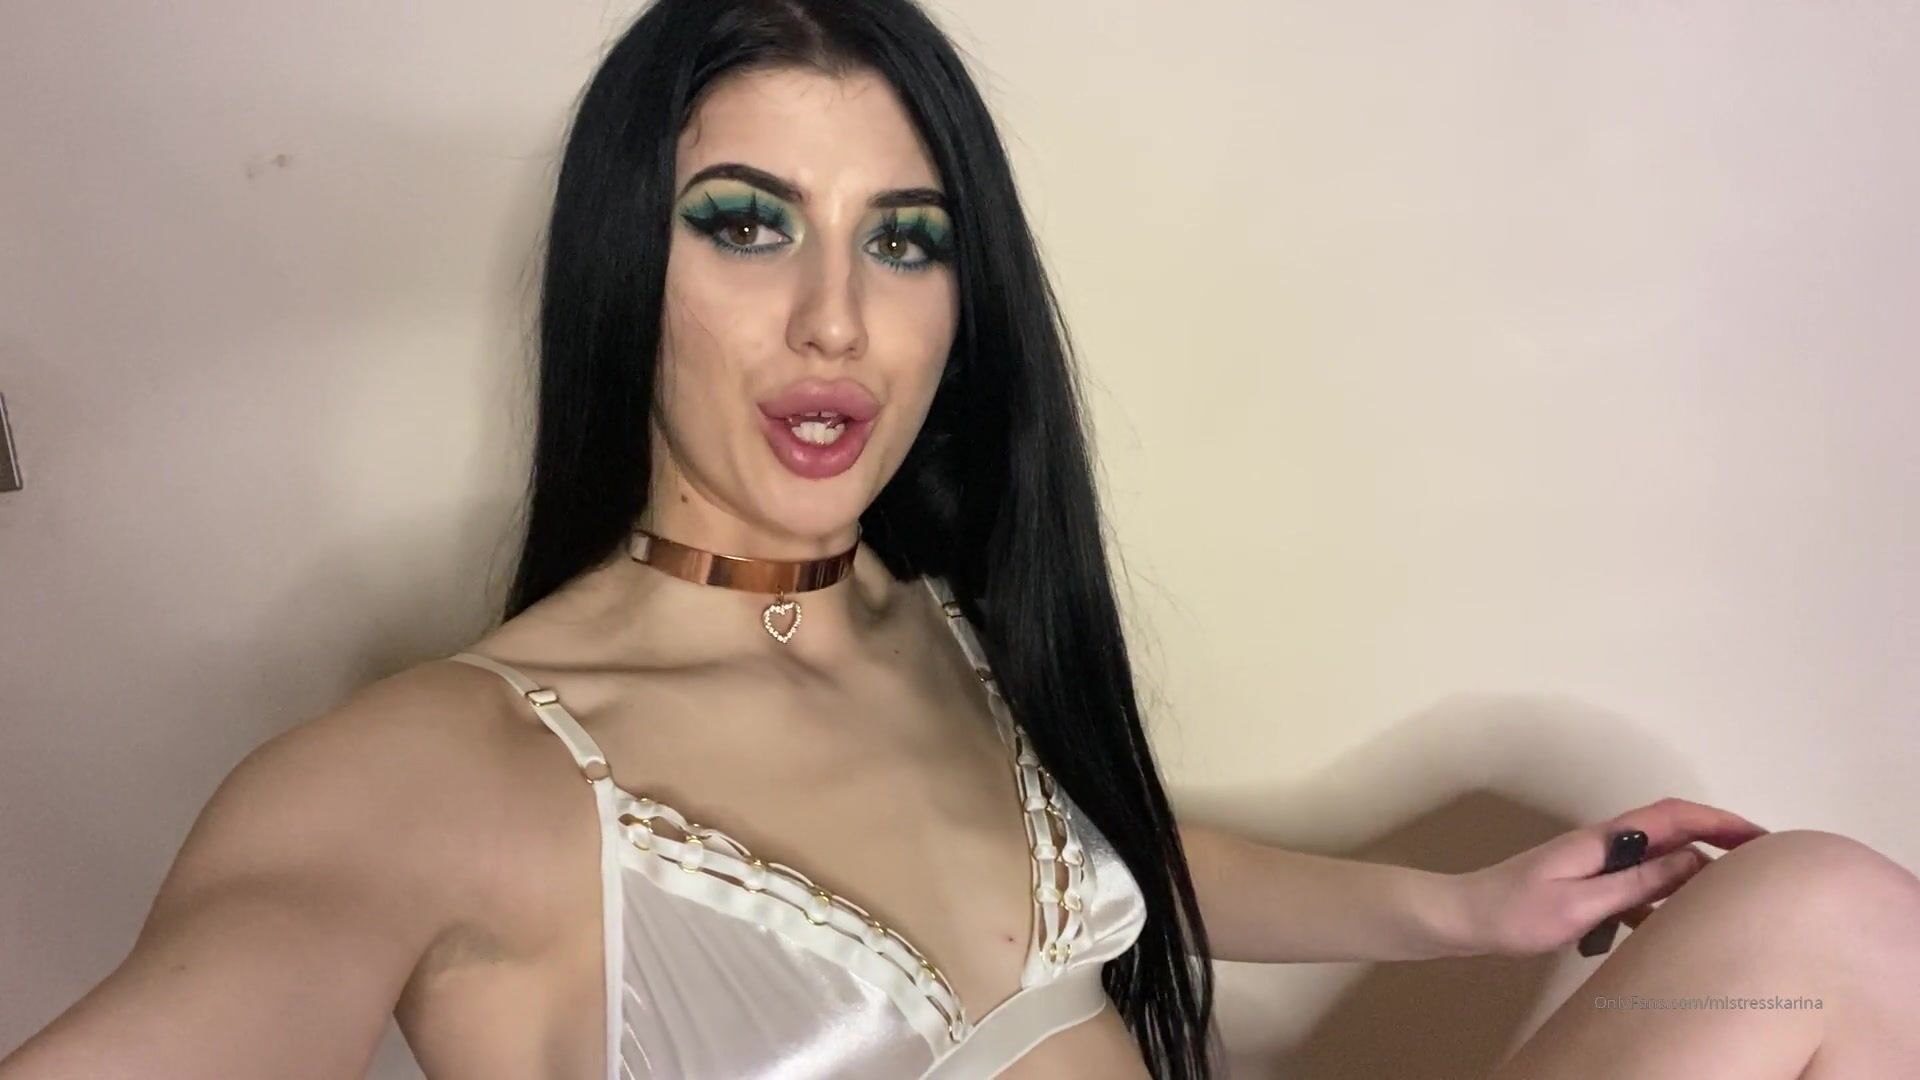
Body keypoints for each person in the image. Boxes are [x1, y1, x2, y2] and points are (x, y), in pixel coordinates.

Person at [6, 1, 1918, 1077]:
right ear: (622, 269)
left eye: (904, 241)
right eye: (746, 222)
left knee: (1827, 915)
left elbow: (1084, 856)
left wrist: (1463, 910)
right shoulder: (448, 771)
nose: (837, 320)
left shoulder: (915, 617)